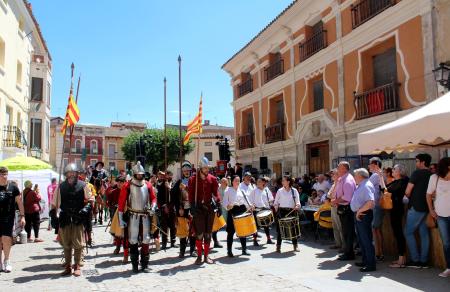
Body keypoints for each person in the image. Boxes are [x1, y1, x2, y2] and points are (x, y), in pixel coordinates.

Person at [50, 163, 93, 276]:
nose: (72, 175)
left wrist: (85, 210)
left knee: (78, 243)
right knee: (66, 244)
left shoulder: (83, 185)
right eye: (70, 173)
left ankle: (77, 265)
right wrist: (53, 217)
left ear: (77, 174)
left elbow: (90, 200)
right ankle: (68, 266)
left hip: (78, 217)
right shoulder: (60, 187)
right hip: (65, 218)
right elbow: (54, 204)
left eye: (74, 173)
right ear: (66, 174)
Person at [118, 161, 157, 273]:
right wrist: (121, 219)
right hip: (133, 215)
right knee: (133, 240)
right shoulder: (127, 185)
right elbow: (121, 203)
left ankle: (144, 265)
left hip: (145, 215)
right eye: (138, 174)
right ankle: (135, 265)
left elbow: (153, 198)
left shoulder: (148, 185)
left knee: (146, 239)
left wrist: (153, 207)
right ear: (134, 174)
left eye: (141, 174)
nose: (140, 176)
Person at [188, 157, 222, 265]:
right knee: (199, 234)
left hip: (209, 209)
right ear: (200, 168)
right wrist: (192, 206)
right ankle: (199, 256)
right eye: (205, 168)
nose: (207, 170)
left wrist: (219, 204)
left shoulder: (212, 179)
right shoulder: (193, 179)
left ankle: (206, 256)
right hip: (198, 209)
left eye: (208, 168)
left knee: (208, 234)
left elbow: (216, 193)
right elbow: (190, 194)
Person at [404, 153, 432, 268]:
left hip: (416, 207)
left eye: (417, 161)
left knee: (408, 232)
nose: (416, 163)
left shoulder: (416, 173)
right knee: (424, 234)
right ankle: (423, 261)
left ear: (423, 162)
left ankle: (415, 260)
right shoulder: (432, 174)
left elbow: (407, 191)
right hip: (427, 207)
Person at [426, 157, 450, 277]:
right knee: (446, 243)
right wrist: (431, 210)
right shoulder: (434, 178)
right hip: (441, 215)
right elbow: (428, 195)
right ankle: (449, 268)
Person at [0, 166, 25, 273]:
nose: (3, 176)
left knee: (6, 238)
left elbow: (19, 202)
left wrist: (23, 216)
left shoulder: (13, 187)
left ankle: (7, 260)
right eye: (1, 174)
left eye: (5, 174)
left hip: (8, 218)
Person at [351, 168, 376, 272]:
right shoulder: (362, 185)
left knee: (366, 240)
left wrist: (359, 211)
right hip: (361, 214)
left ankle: (370, 264)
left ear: (360, 176)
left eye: (355, 175)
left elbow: (370, 203)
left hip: (363, 215)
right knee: (362, 239)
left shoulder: (365, 186)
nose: (354, 177)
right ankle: (365, 261)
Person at [385, 164, 409, 268]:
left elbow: (387, 191)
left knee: (398, 233)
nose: (392, 170)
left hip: (397, 210)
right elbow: (385, 189)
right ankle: (401, 258)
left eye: (394, 169)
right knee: (397, 233)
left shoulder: (402, 182)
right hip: (394, 210)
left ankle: (401, 261)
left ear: (399, 172)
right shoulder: (396, 182)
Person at [171, 161, 196, 258]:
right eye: (184, 171)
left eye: (187, 170)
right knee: (182, 231)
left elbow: (195, 193)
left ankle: (192, 250)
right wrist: (178, 208)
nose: (186, 172)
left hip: (192, 208)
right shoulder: (179, 182)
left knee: (192, 231)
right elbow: (173, 195)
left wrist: (186, 188)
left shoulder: (194, 181)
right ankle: (182, 251)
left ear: (190, 171)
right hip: (182, 209)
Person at [332, 161, 356, 261]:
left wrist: (336, 200)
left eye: (339, 167)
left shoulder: (348, 180)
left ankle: (349, 253)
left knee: (348, 232)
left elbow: (347, 197)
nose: (337, 168)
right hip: (342, 208)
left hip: (347, 209)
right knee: (345, 232)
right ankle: (347, 252)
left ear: (344, 168)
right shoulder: (343, 178)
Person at [223, 175, 251, 256]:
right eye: (236, 181)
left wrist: (250, 206)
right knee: (231, 232)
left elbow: (246, 201)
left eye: (238, 181)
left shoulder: (241, 190)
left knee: (243, 231)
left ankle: (244, 249)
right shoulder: (228, 190)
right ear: (232, 181)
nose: (237, 182)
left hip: (241, 210)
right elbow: (225, 203)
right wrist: (228, 206)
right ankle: (229, 251)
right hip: (232, 210)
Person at [274, 175, 300, 253]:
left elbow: (298, 202)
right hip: (282, 211)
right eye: (282, 181)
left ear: (288, 182)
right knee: (280, 230)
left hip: (292, 211)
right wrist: (276, 207)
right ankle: (278, 247)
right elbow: (276, 202)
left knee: (293, 229)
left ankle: (295, 246)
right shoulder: (279, 191)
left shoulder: (294, 190)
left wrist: (297, 205)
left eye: (283, 180)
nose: (282, 182)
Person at [368, 157, 385, 261]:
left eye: (370, 164)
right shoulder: (378, 174)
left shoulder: (375, 175)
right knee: (376, 229)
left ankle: (378, 253)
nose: (368, 166)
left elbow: (367, 187)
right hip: (377, 205)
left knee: (375, 229)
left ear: (375, 165)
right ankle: (379, 252)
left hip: (376, 205)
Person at [249, 177, 274, 245]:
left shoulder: (266, 190)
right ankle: (255, 240)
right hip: (257, 209)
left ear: (263, 183)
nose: (258, 183)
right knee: (256, 226)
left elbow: (271, 199)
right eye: (257, 182)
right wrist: (252, 205)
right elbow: (250, 200)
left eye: (260, 182)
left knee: (266, 225)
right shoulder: (254, 191)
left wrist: (270, 203)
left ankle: (269, 239)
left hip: (265, 209)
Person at [105, 175, 126, 254]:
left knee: (126, 231)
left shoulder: (128, 191)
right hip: (116, 213)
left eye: (121, 182)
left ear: (124, 183)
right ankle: (117, 247)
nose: (119, 184)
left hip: (126, 212)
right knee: (117, 232)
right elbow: (109, 204)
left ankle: (126, 247)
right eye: (118, 182)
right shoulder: (112, 192)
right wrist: (114, 206)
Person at [156, 171, 176, 250]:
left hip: (172, 207)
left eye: (169, 175)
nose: (168, 176)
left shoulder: (174, 184)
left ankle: (173, 242)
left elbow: (175, 196)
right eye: (166, 175)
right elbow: (159, 197)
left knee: (173, 226)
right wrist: (164, 206)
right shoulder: (162, 184)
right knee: (164, 226)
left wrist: (169, 188)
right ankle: (164, 242)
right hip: (164, 208)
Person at [327, 170, 344, 251]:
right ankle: (338, 243)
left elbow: (333, 195)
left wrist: (332, 196)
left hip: (338, 207)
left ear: (338, 175)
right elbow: (329, 195)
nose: (332, 176)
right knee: (335, 226)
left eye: (333, 174)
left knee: (340, 226)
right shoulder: (334, 184)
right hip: (333, 206)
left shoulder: (341, 184)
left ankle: (344, 246)